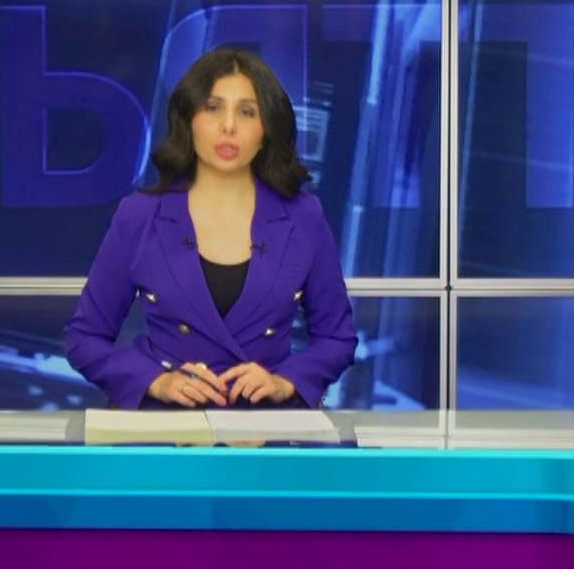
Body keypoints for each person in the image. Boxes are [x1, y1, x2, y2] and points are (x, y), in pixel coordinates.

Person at [64, 46, 358, 409]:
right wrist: (156, 381)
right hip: (168, 421)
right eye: (213, 108)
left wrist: (285, 381)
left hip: (265, 423)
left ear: (266, 130)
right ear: (189, 120)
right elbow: (85, 338)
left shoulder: (303, 217)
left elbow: (337, 339)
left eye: (247, 112)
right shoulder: (140, 215)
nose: (228, 126)